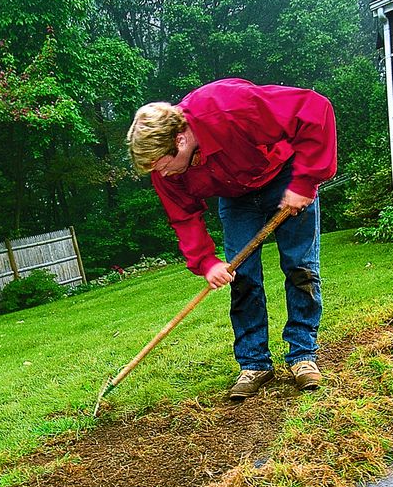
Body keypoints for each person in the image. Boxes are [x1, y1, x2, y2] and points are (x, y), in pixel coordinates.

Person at [126, 78, 337, 399]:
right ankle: (255, 364)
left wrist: (305, 182)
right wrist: (207, 262)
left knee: (300, 267)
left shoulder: (229, 105)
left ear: (180, 140)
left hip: (286, 175)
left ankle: (303, 355)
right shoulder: (165, 171)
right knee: (243, 278)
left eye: (162, 164)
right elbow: (184, 215)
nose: (162, 173)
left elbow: (314, 109)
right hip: (236, 198)